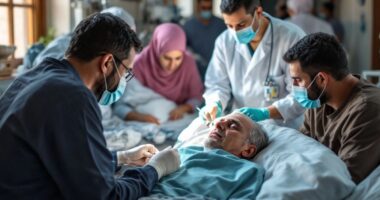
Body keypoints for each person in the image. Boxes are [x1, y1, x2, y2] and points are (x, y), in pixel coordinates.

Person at [0, 13, 180, 199]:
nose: (123, 80)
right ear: (108, 63)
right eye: (126, 72)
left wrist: (121, 158)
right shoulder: (74, 96)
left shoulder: (38, 74)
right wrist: (155, 169)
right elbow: (105, 196)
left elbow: (66, 158)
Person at [281, 32, 380, 183]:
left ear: (321, 79)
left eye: (298, 80)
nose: (294, 87)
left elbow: (345, 178)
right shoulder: (318, 99)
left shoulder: (367, 110)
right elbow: (300, 146)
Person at [200, 0, 306, 129]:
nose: (235, 32)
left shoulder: (291, 37)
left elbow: (301, 95)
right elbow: (216, 84)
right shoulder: (224, 41)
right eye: (229, 25)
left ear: (259, 12)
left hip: (282, 126)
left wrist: (265, 113)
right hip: (238, 126)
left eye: (241, 24)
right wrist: (214, 104)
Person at [149, 112, 268, 199]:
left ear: (247, 150)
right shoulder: (184, 151)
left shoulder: (249, 171)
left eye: (232, 126)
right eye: (221, 120)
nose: (218, 125)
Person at [114, 23, 203, 124]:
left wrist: (183, 108)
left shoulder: (188, 62)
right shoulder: (139, 64)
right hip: (148, 123)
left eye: (178, 58)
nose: (172, 65)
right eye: (167, 58)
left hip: (178, 121)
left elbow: (197, 97)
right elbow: (120, 106)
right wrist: (141, 117)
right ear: (157, 50)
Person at [183, 0, 226, 81]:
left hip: (218, 72)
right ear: (198, 7)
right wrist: (192, 55)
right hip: (196, 72)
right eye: (204, 8)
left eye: (209, 8)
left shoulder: (221, 25)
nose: (207, 10)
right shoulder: (189, 25)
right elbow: (184, 48)